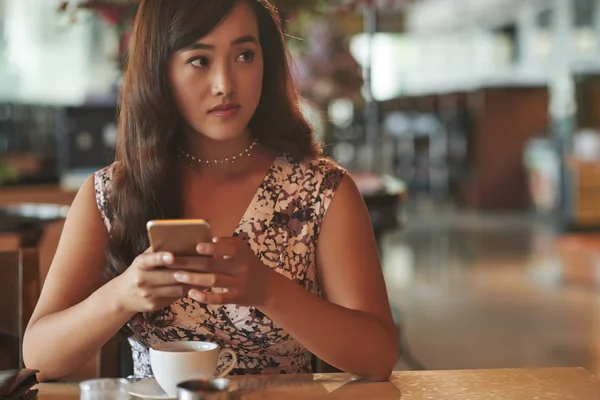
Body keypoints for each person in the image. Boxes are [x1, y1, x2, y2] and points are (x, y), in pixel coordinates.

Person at [23, 0, 398, 382]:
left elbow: (378, 357)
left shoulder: (321, 192)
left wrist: (269, 290)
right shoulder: (111, 194)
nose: (225, 84)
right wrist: (121, 296)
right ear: (160, 70)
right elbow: (39, 357)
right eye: (200, 60)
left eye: (245, 55)